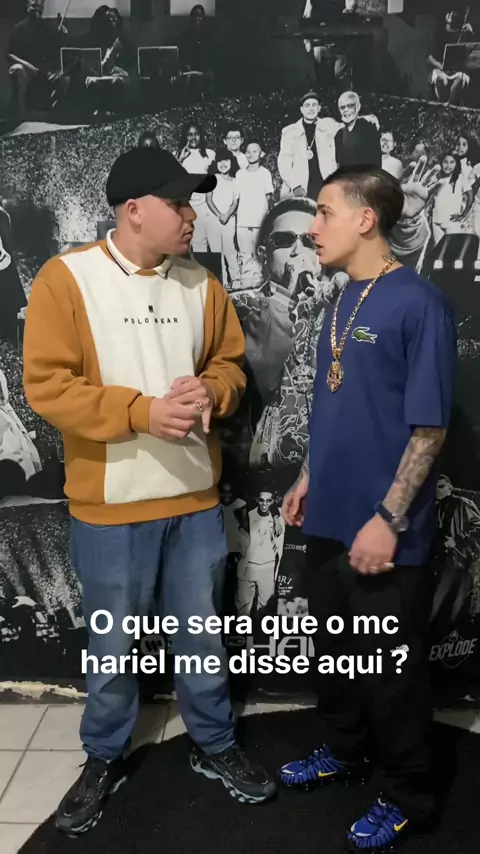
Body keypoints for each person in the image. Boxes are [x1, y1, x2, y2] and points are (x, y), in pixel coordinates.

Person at [22, 146, 277, 836]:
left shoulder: (202, 284)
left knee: (202, 638)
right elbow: (47, 386)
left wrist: (214, 391)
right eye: (178, 203)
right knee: (112, 645)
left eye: (192, 202)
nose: (192, 215)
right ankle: (104, 755)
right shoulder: (65, 279)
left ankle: (214, 742)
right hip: (109, 508)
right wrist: (141, 412)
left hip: (194, 501)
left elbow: (230, 366)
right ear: (133, 210)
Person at [277, 165, 457, 852]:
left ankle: (409, 793)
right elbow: (338, 405)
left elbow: (429, 429)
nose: (312, 228)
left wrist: (387, 519)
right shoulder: (342, 299)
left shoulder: (419, 303)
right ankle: (346, 751)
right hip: (327, 520)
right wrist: (307, 475)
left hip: (386, 533)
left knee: (390, 673)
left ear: (365, 218)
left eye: (324, 212)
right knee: (338, 656)